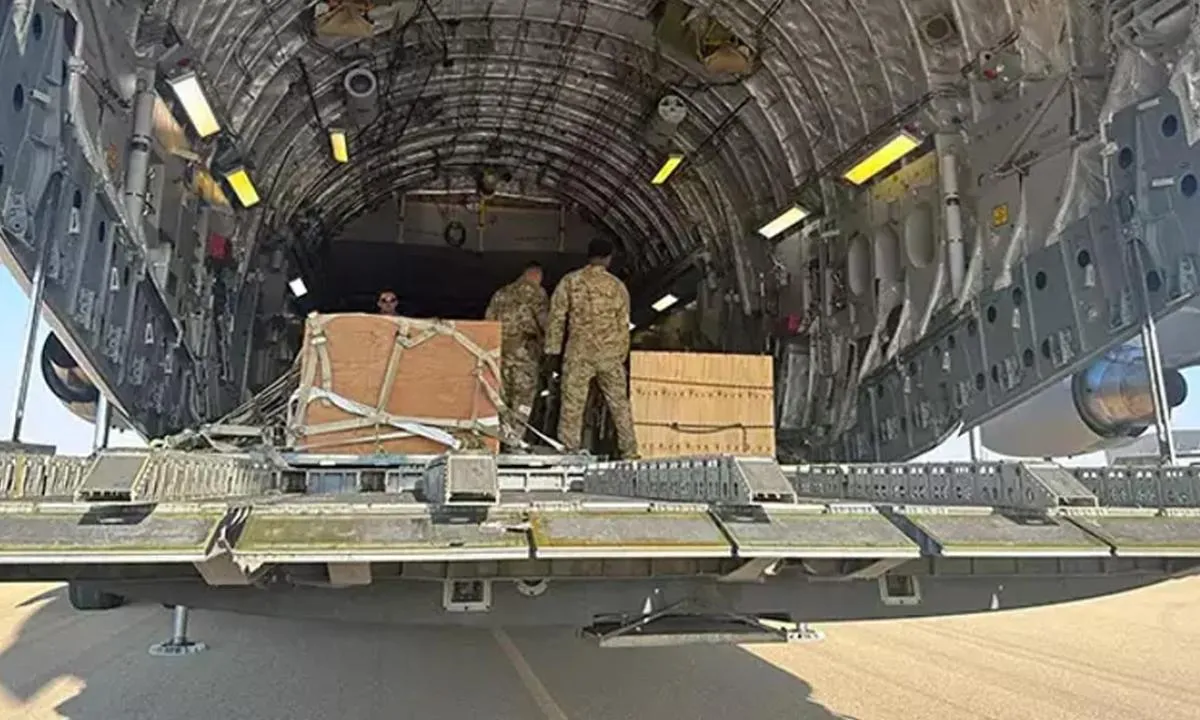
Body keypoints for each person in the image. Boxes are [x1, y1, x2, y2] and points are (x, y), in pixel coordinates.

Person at [544, 238, 639, 459]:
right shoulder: (617, 286)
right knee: (619, 405)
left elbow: (557, 317)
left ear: (589, 255)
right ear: (608, 258)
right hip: (609, 355)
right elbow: (623, 324)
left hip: (579, 354)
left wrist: (552, 352)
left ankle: (569, 451)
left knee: (572, 405)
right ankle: (630, 451)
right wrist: (620, 355)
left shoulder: (570, 281)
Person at [485, 261, 549, 441]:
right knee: (523, 401)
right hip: (524, 357)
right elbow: (546, 324)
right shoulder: (537, 293)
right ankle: (515, 440)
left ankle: (499, 439)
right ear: (537, 275)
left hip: (501, 356)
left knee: (501, 400)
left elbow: (488, 324)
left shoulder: (501, 294)